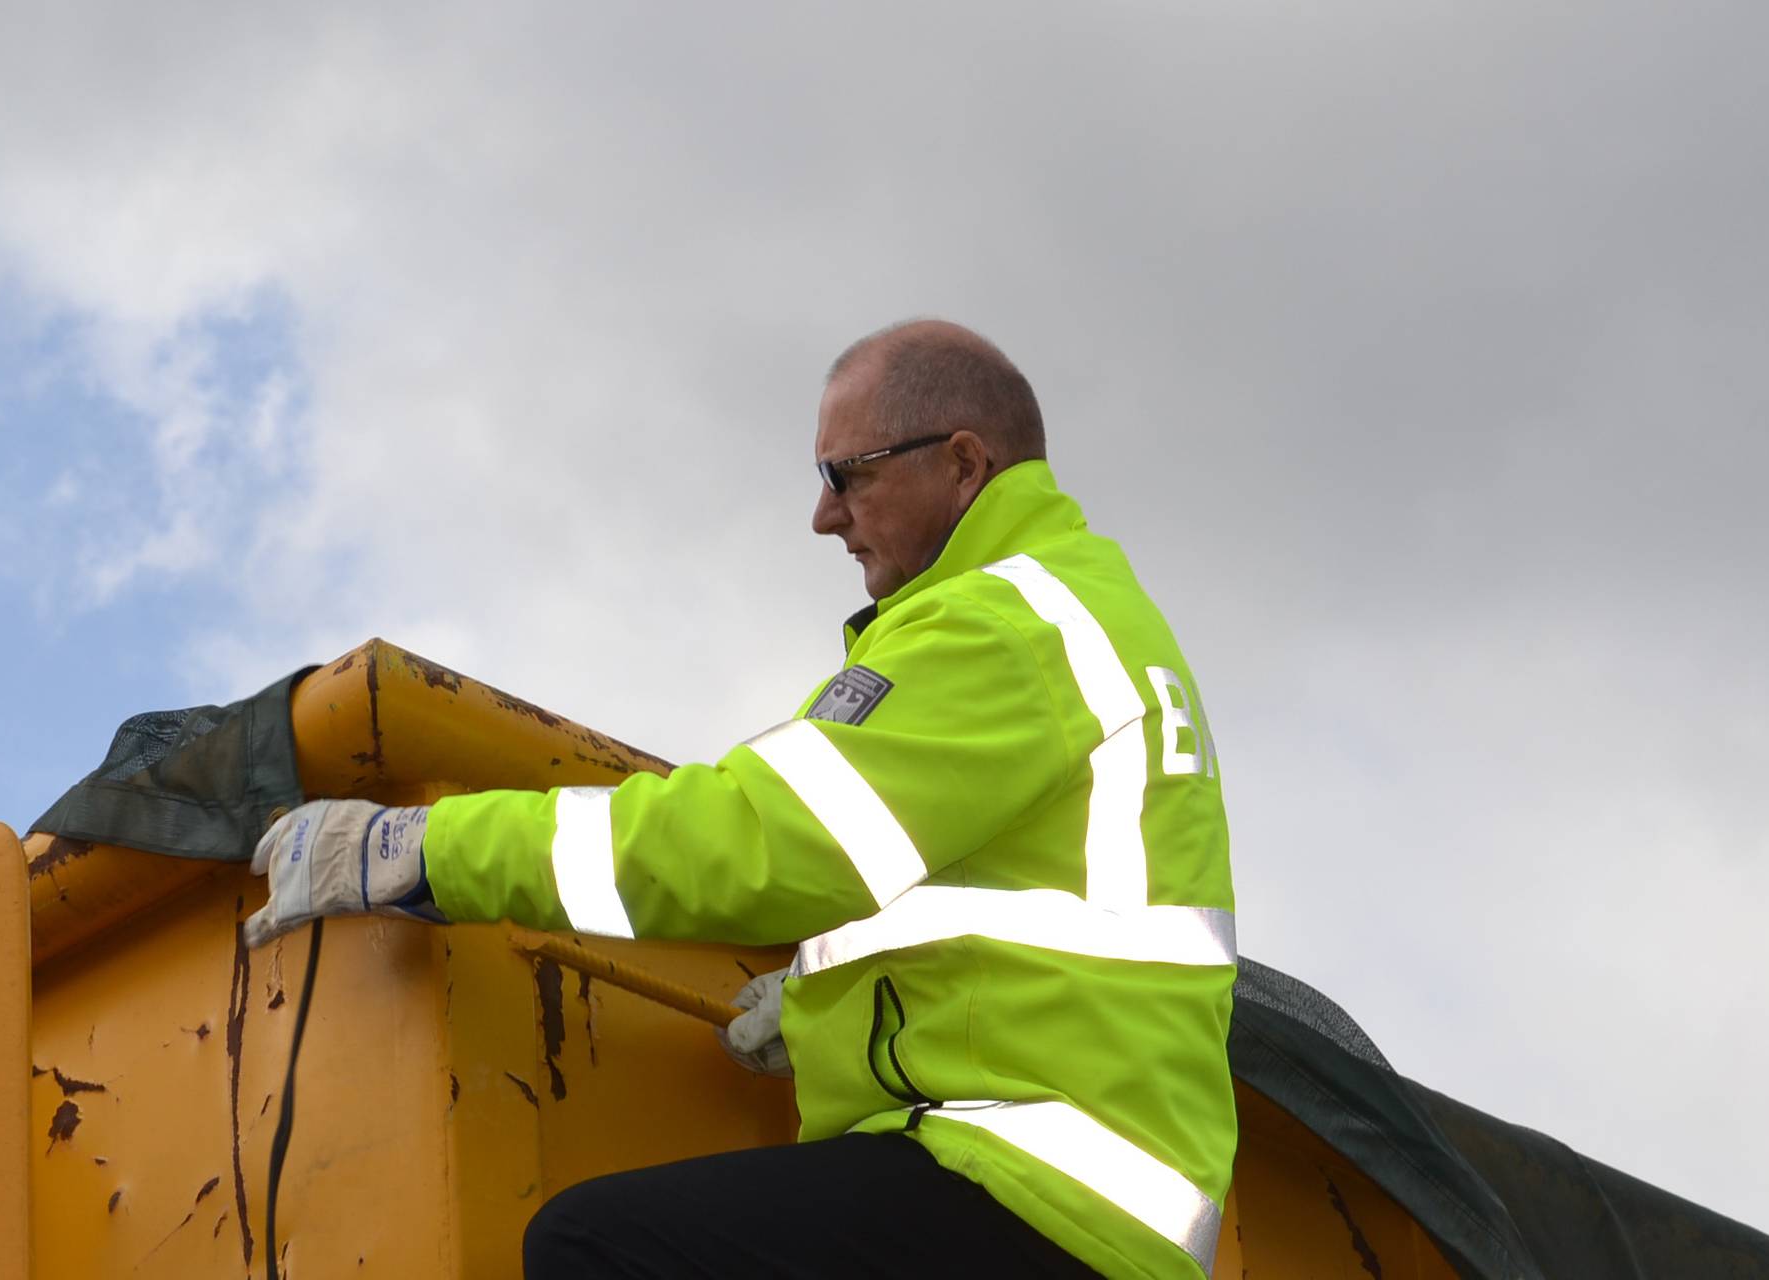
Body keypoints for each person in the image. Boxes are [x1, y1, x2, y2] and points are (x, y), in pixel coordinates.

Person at [244, 319, 1238, 1279]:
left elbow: (758, 841)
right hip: (1069, 1189)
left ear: (963, 461)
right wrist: (812, 1013)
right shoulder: (1065, 612)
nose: (823, 514)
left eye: (844, 473)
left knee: (594, 1245)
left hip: (1029, 1181)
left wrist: (426, 850)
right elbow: (993, 921)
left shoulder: (1003, 627)